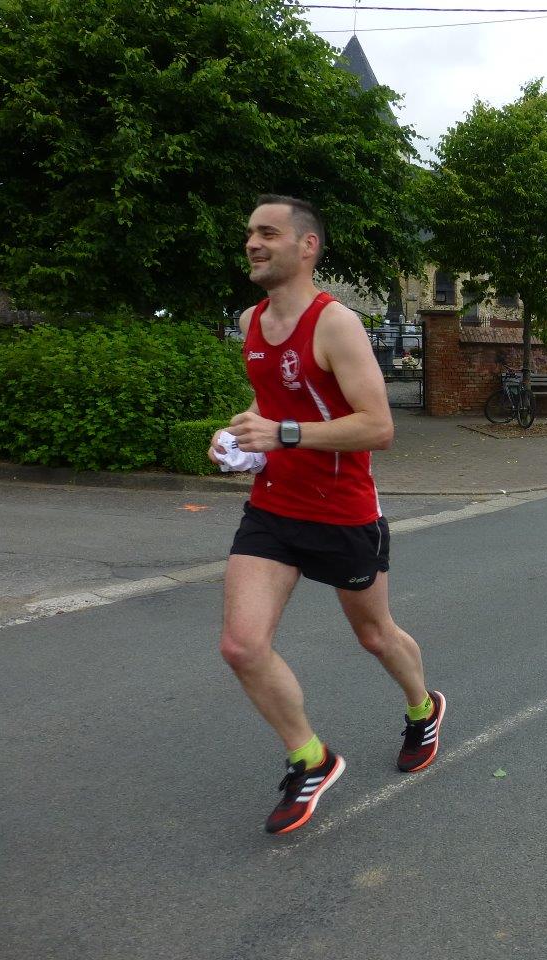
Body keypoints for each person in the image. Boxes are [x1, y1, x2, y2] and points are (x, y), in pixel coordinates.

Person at [209, 195, 444, 835]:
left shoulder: (334, 324)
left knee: (375, 636)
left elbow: (378, 427)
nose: (254, 244)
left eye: (268, 233)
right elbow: (276, 412)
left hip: (342, 513)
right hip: (274, 508)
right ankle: (310, 758)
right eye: (250, 234)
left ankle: (422, 707)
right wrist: (242, 444)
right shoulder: (249, 322)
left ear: (306, 246)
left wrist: (281, 434)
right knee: (240, 644)